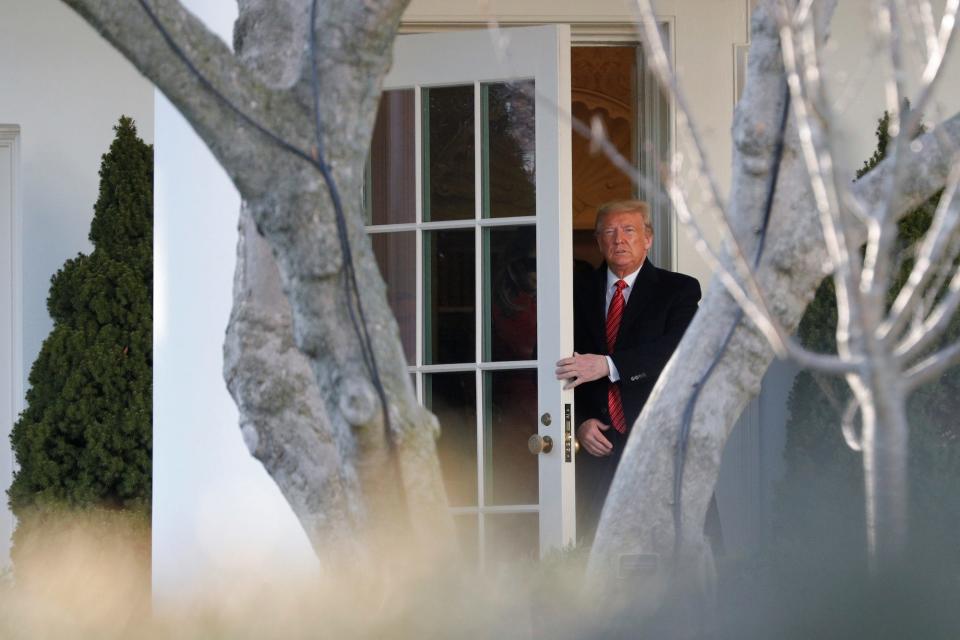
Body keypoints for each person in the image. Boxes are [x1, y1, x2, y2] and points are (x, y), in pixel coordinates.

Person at [555, 200, 701, 542]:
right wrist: (577, 422)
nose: (618, 239)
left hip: (657, 444)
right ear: (598, 241)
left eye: (629, 230)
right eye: (609, 231)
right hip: (595, 449)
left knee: (671, 558)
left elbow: (681, 351)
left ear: (648, 239)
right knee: (590, 558)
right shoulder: (570, 292)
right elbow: (546, 364)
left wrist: (608, 365)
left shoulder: (678, 290)